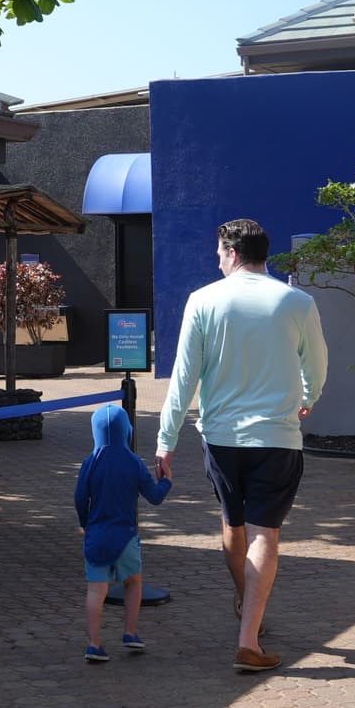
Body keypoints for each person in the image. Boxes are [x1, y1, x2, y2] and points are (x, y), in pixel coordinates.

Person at [155, 218, 326, 673]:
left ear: (231, 253)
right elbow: (319, 366)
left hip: (222, 437)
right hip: (277, 436)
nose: (217, 259)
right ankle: (249, 634)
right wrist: (306, 400)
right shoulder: (298, 302)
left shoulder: (202, 301)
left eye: (218, 253)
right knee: (265, 531)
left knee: (234, 524)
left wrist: (164, 442)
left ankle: (246, 605)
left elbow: (183, 379)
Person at [75, 402, 171, 663]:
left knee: (96, 591)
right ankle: (131, 633)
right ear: (126, 431)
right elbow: (154, 497)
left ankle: (94, 644)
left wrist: (86, 524)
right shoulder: (134, 463)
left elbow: (80, 498)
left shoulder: (90, 463)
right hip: (126, 536)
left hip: (96, 535)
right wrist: (166, 480)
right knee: (134, 582)